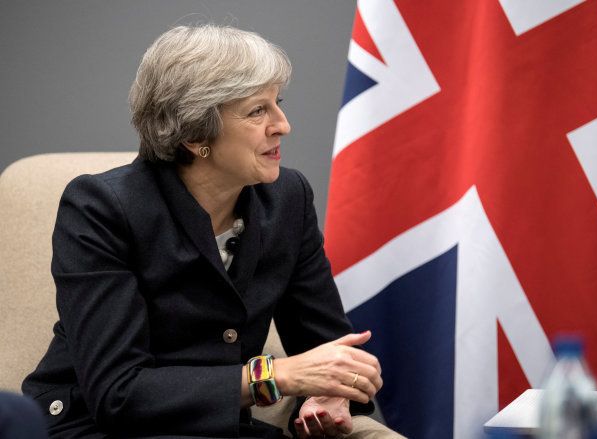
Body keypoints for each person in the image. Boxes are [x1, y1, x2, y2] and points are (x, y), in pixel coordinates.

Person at [21, 24, 382, 439]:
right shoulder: (100, 207)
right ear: (195, 134)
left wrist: (331, 392)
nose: (283, 125)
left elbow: (328, 346)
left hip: (218, 428)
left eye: (277, 103)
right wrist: (275, 376)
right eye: (257, 111)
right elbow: (117, 393)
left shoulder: (287, 198)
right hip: (97, 426)